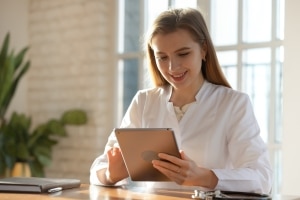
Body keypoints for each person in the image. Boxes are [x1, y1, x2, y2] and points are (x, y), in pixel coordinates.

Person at [90, 7, 272, 194]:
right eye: (162, 57)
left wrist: (205, 176)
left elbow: (262, 178)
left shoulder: (234, 103)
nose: (172, 67)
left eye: (183, 54)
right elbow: (98, 169)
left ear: (203, 50)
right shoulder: (144, 101)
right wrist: (111, 174)